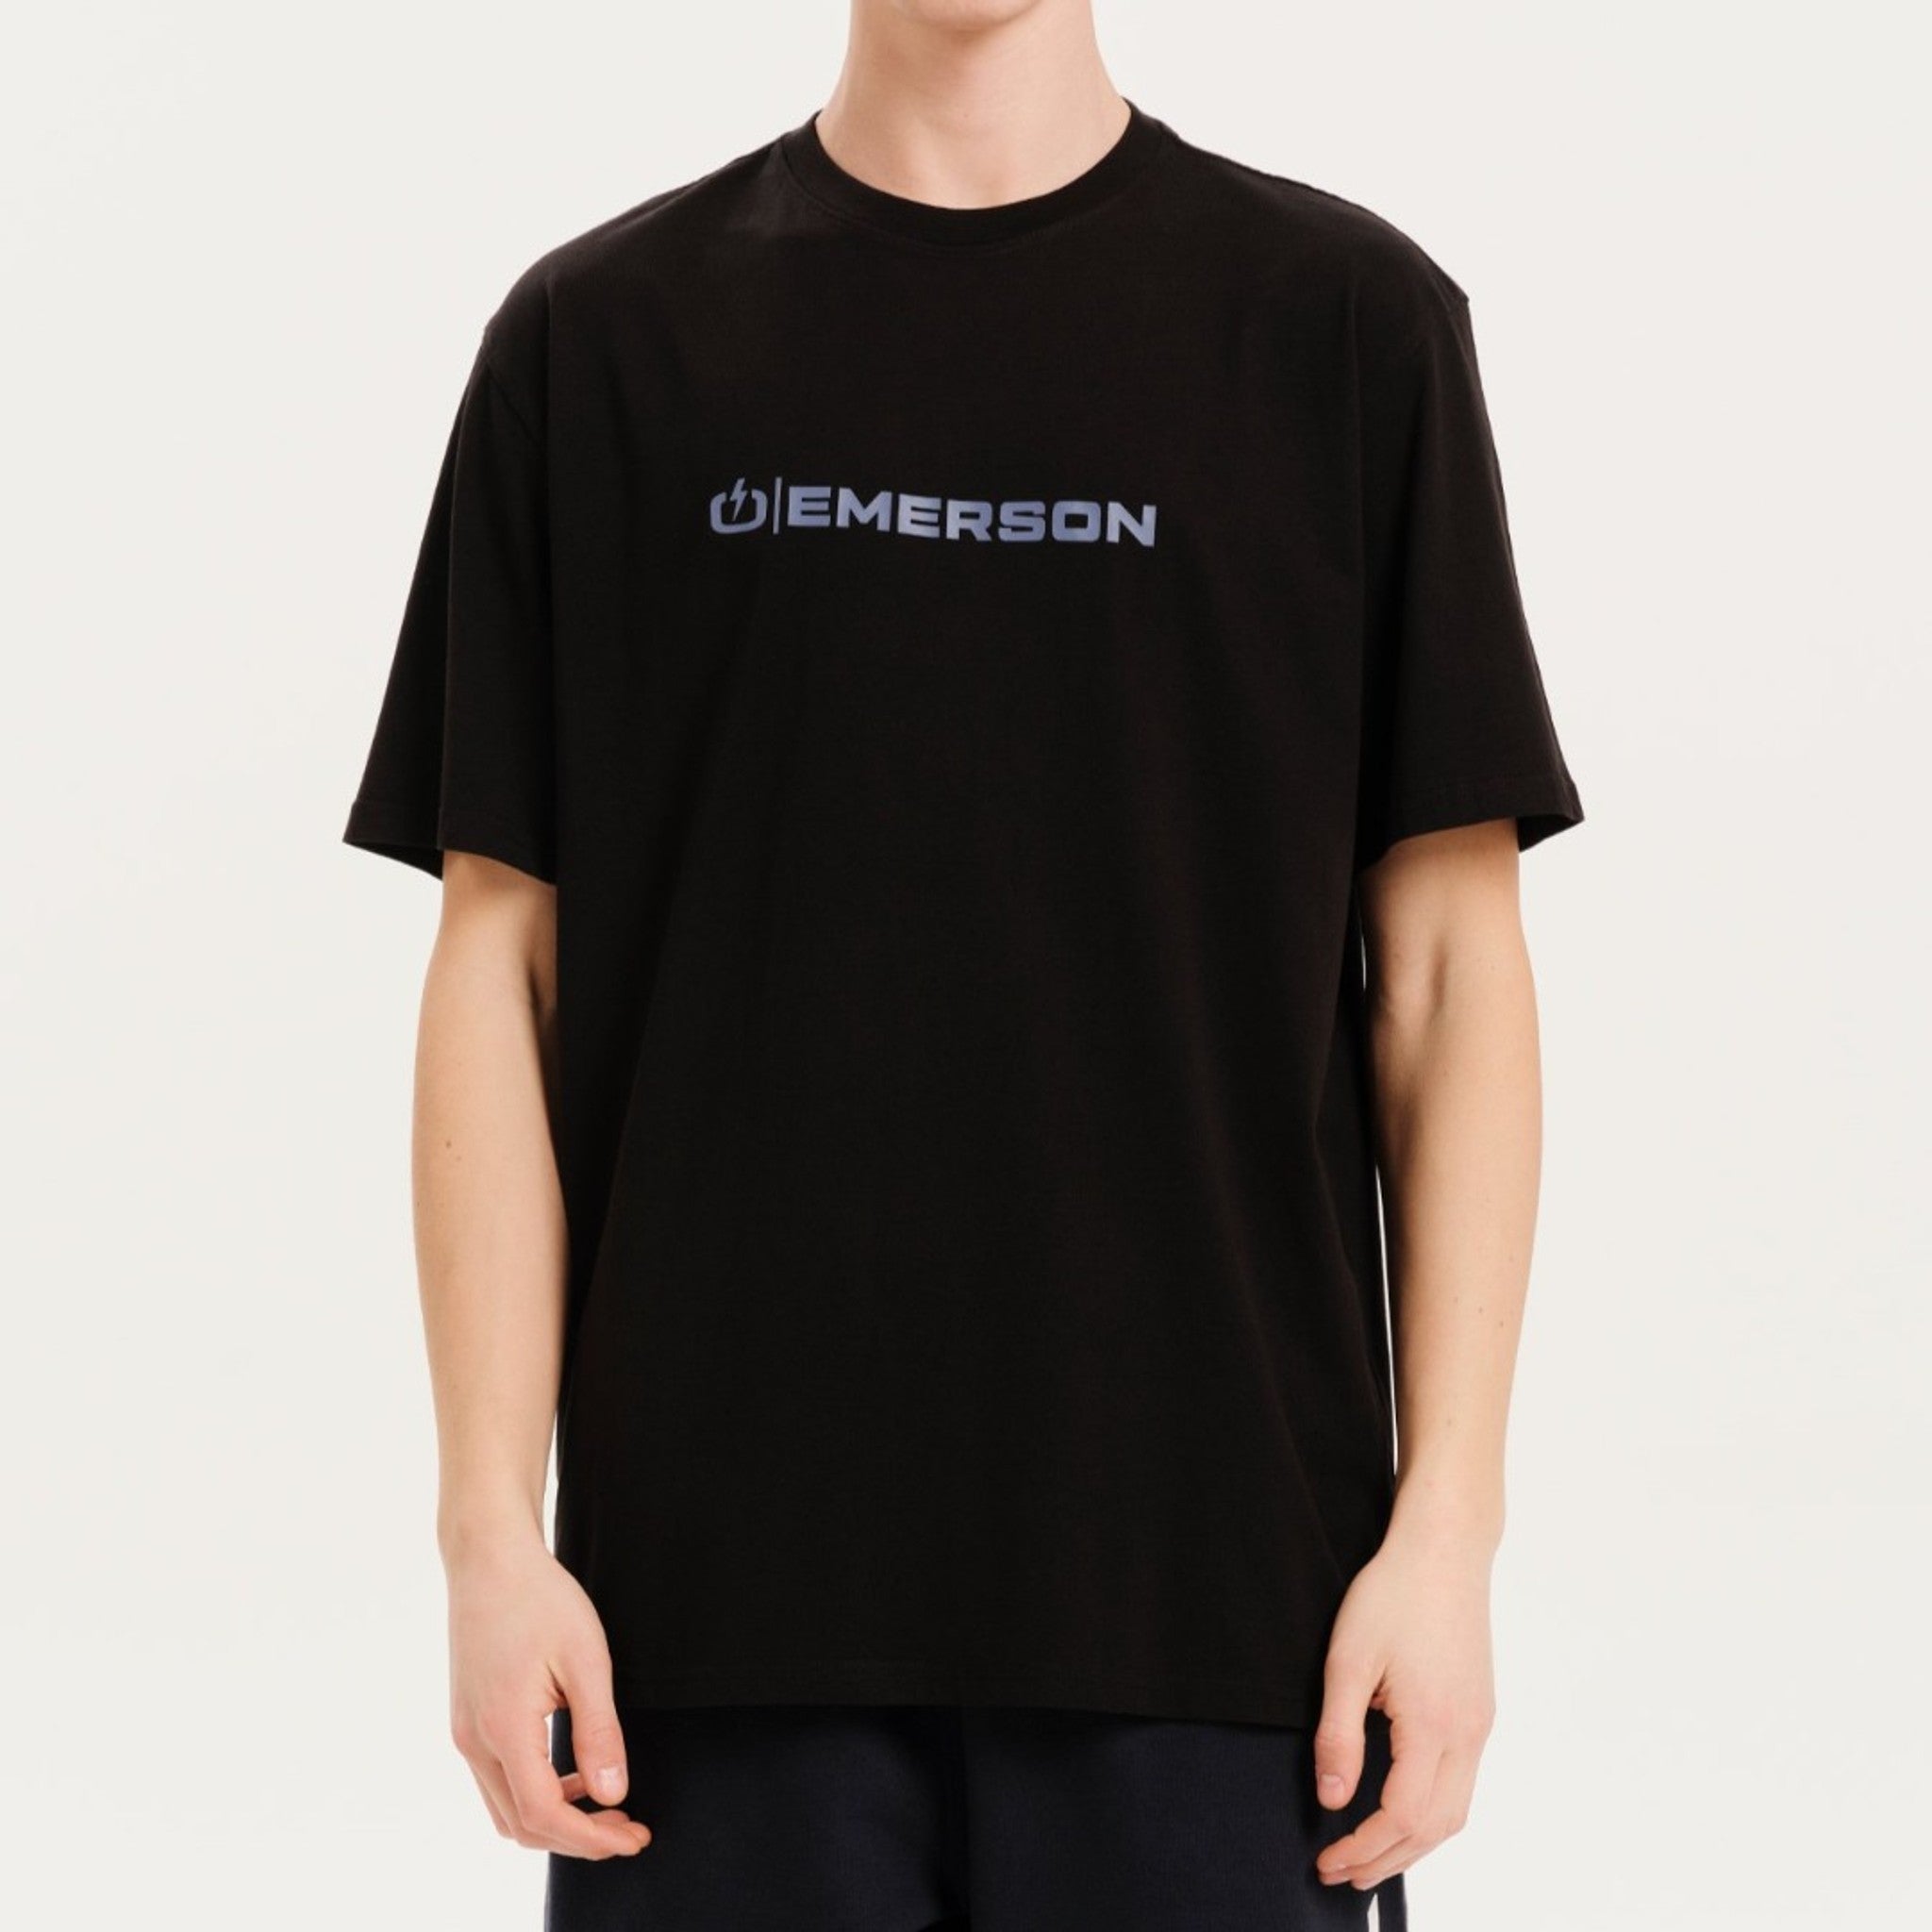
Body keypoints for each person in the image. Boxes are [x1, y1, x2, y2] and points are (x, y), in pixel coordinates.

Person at [341, 2, 1584, 1924]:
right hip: (707, 1636)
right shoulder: (600, 342)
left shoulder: (1344, 328)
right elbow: (505, 968)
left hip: (1231, 1622)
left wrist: (1450, 1533)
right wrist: (488, 1535)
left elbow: (1443, 976)